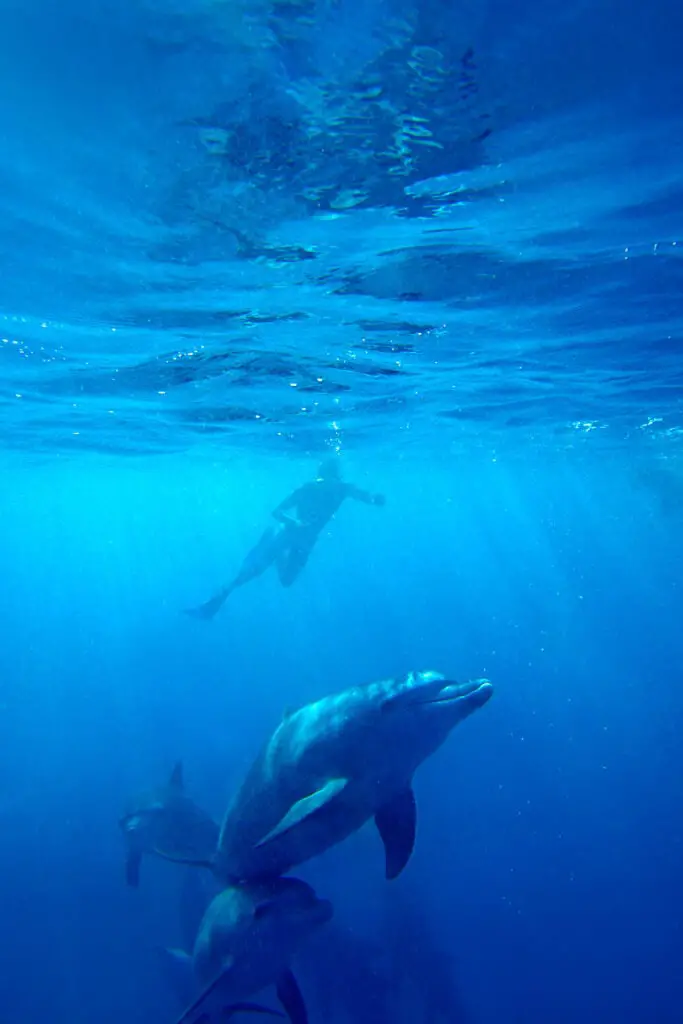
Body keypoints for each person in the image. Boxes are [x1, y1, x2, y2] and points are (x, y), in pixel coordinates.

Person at [185, 458, 385, 620]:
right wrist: (293, 523)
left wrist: (374, 499)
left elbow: (364, 496)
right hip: (287, 535)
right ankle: (211, 606)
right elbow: (277, 512)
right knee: (249, 574)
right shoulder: (309, 489)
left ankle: (272, 551)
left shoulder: (341, 489)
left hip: (305, 542)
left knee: (286, 581)